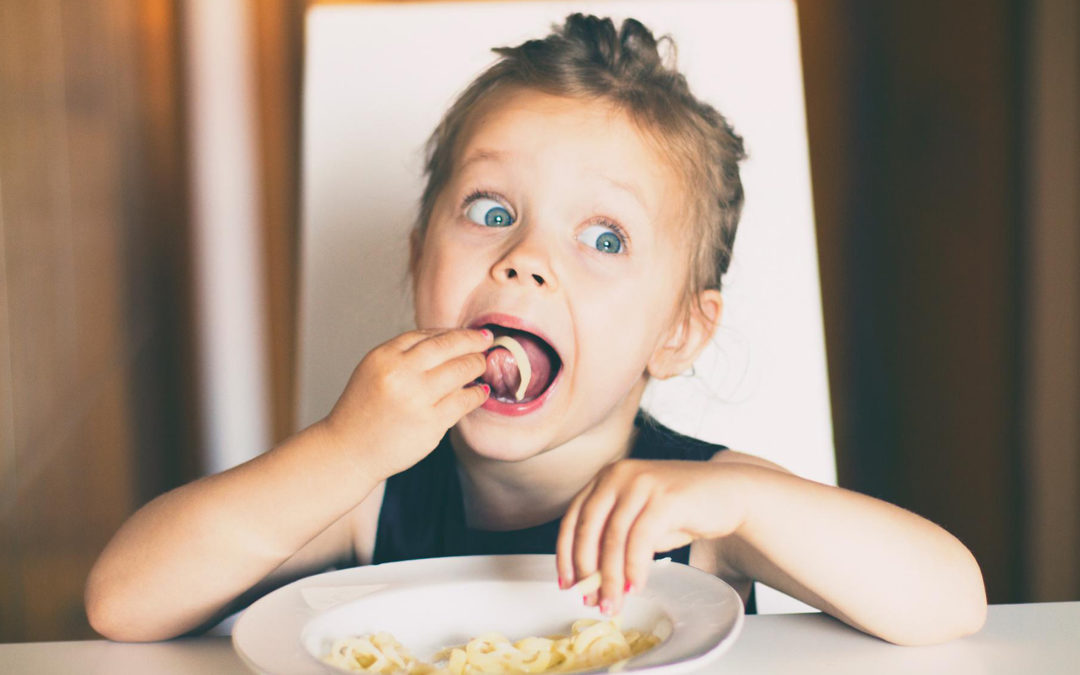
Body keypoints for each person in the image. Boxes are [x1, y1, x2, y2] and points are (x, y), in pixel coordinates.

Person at [85, 13, 986, 646]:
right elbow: (122, 600)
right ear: (416, 259)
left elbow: (952, 603)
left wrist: (745, 504)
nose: (524, 259)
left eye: (603, 237)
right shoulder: (371, 492)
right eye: (488, 210)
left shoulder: (699, 508)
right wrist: (340, 448)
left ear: (679, 331)